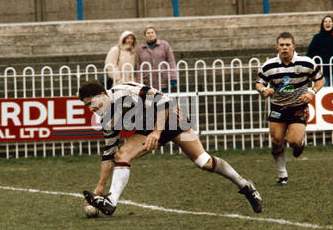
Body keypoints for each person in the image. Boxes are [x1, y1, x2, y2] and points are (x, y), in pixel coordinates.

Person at [79, 80, 263, 216]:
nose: (89, 109)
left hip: (170, 116)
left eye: (91, 103)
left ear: (103, 95)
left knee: (204, 162)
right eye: (86, 105)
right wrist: (100, 187)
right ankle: (111, 200)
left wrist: (157, 133)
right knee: (121, 155)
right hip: (149, 126)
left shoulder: (124, 94)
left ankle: (246, 186)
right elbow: (109, 153)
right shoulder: (105, 118)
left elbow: (164, 102)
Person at [255, 32, 325, 185]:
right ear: (276, 47)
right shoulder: (269, 66)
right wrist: (264, 90)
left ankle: (300, 143)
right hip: (278, 107)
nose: (284, 48)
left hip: (297, 107)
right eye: (281, 45)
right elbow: (259, 83)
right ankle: (282, 175)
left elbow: (320, 80)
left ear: (293, 46)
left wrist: (312, 92)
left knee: (293, 141)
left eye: (287, 45)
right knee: (276, 142)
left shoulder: (306, 63)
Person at [135, 25, 177, 93]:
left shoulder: (164, 45)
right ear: (145, 35)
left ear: (155, 34)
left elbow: (171, 61)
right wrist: (139, 82)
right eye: (148, 33)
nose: (150, 34)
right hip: (147, 82)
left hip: (163, 80)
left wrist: (173, 78)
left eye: (152, 32)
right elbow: (138, 66)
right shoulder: (140, 49)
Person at [306, 15, 333, 86]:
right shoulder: (317, 37)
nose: (328, 23)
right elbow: (310, 53)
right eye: (325, 21)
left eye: (330, 21)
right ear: (322, 24)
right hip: (322, 70)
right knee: (323, 90)